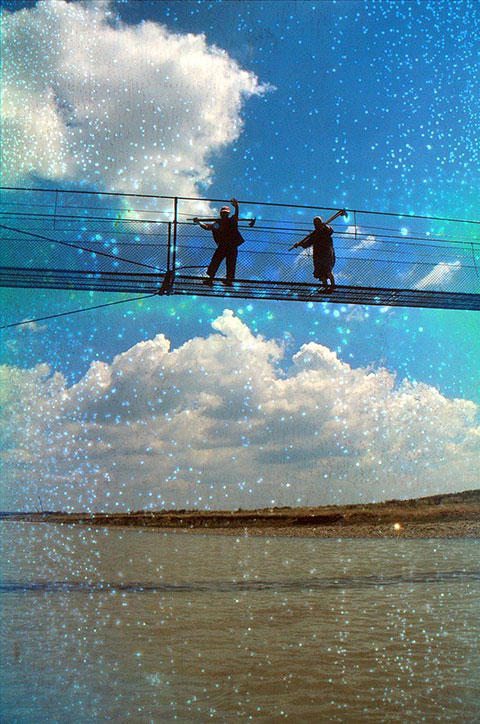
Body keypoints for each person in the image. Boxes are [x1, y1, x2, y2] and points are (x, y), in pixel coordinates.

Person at [194, 198, 244, 286]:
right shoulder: (218, 223)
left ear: (227, 214)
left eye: (225, 213)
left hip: (230, 245)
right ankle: (211, 279)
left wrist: (236, 207)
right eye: (223, 213)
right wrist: (198, 223)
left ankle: (228, 279)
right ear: (221, 214)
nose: (224, 214)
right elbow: (207, 227)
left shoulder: (230, 221)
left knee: (230, 262)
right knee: (216, 261)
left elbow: (236, 215)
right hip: (225, 245)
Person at [298, 216, 336, 290]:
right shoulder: (314, 234)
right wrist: (300, 244)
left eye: (317, 223)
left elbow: (330, 231)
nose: (315, 224)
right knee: (321, 272)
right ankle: (325, 287)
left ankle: (333, 286)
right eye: (314, 223)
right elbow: (307, 243)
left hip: (326, 254)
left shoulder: (325, 230)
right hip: (318, 255)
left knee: (327, 270)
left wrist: (325, 226)